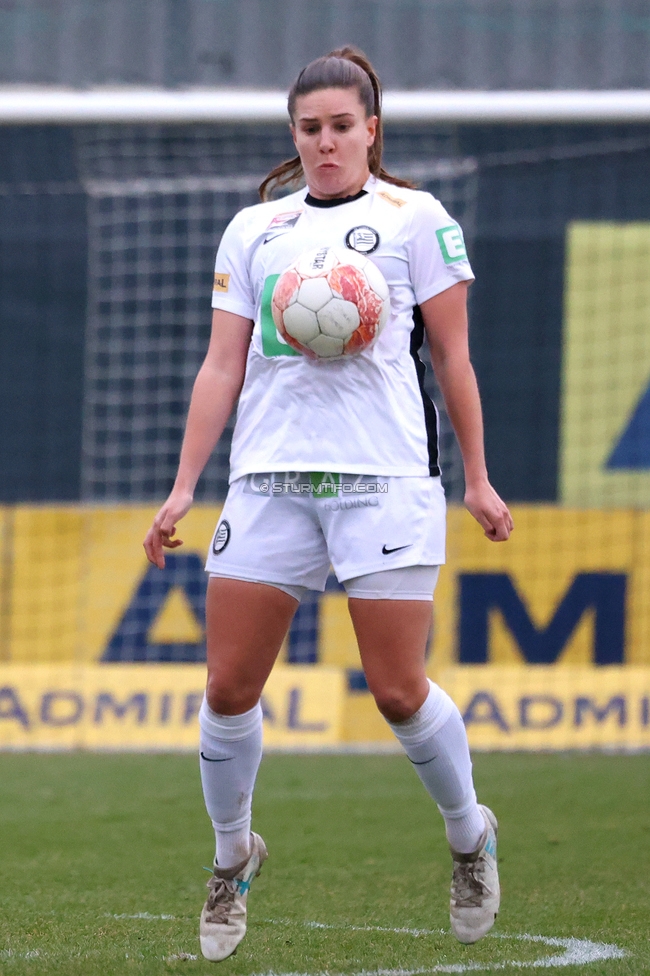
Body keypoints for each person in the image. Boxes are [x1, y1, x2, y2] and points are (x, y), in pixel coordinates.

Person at [144, 46, 513, 963]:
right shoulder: (254, 230)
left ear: (371, 130)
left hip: (384, 480)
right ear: (294, 136)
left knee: (395, 691)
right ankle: (233, 860)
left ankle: (470, 835)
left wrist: (477, 476)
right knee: (229, 687)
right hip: (268, 482)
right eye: (309, 129)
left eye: (341, 126)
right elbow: (223, 364)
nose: (325, 142)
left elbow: (453, 358)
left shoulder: (415, 219)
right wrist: (184, 485)